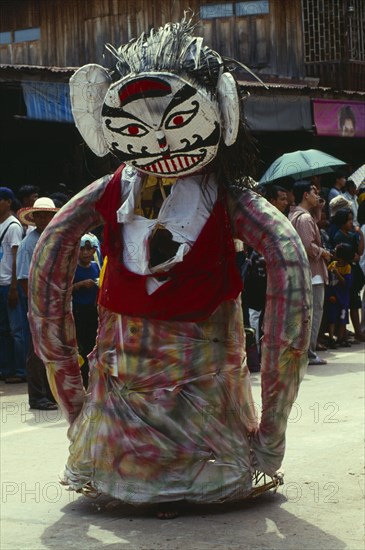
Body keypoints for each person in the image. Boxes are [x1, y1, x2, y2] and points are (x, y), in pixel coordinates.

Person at [28, 16, 311, 516]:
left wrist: (274, 428)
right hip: (125, 366)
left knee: (199, 402)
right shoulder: (116, 192)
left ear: (219, 110)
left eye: (177, 122)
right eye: (138, 129)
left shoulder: (228, 200)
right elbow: (52, 251)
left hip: (206, 371)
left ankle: (195, 475)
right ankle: (138, 471)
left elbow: (286, 257)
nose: (158, 141)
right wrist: (73, 400)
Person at [17, 197, 59, 409]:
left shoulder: (55, 238)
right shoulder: (28, 243)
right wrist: (36, 306)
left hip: (54, 302)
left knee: (51, 350)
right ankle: (37, 396)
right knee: (35, 351)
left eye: (47, 214)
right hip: (37, 303)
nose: (43, 218)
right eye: (40, 214)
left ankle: (51, 394)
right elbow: (23, 279)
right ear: (34, 218)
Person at [289, 180, 331, 365]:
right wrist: (323, 252)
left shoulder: (296, 215)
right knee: (313, 313)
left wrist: (319, 206)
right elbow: (307, 245)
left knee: (305, 314)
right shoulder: (304, 218)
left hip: (302, 272)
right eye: (314, 193)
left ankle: (305, 351)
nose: (317, 196)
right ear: (305, 195)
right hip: (313, 273)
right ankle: (310, 352)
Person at [0, 187, 27, 383]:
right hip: (1, 283)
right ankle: (6, 368)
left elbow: (16, 257)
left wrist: (13, 286)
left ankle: (20, 370)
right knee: (3, 329)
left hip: (10, 283)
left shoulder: (13, 226)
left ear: (8, 201)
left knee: (17, 330)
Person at [331, 208, 365, 341]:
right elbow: (342, 256)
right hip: (345, 273)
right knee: (346, 303)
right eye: (348, 220)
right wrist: (352, 258)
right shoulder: (339, 236)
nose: (351, 223)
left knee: (354, 303)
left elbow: (360, 252)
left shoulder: (351, 235)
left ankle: (355, 332)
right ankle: (345, 333)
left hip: (354, 273)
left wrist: (361, 235)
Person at [72, 234, 101, 388]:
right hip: (78, 312)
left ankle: (92, 382)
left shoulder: (96, 267)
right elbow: (64, 291)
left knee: (93, 346)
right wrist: (79, 285)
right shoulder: (73, 269)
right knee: (81, 348)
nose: (85, 253)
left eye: (89, 249)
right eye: (82, 249)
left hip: (93, 312)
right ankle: (83, 381)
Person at [326, 243, 354, 347]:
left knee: (343, 319)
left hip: (343, 300)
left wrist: (337, 274)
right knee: (332, 318)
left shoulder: (347, 268)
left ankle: (341, 338)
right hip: (332, 298)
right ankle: (331, 338)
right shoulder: (332, 264)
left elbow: (346, 283)